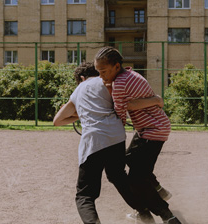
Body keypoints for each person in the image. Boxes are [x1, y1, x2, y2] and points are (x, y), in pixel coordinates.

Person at [53, 62, 162, 224]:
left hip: (94, 142)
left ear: (82, 78)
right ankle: (145, 214)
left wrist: (81, 113)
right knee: (118, 176)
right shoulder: (112, 84)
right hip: (116, 137)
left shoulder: (81, 88)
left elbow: (57, 121)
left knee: (85, 195)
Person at [94, 47, 182, 224]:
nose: (101, 76)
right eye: (98, 72)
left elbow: (120, 115)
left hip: (152, 131)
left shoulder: (119, 84)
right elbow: (131, 104)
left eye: (103, 71)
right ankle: (157, 189)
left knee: (136, 179)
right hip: (153, 128)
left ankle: (167, 215)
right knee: (132, 161)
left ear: (116, 66)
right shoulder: (130, 74)